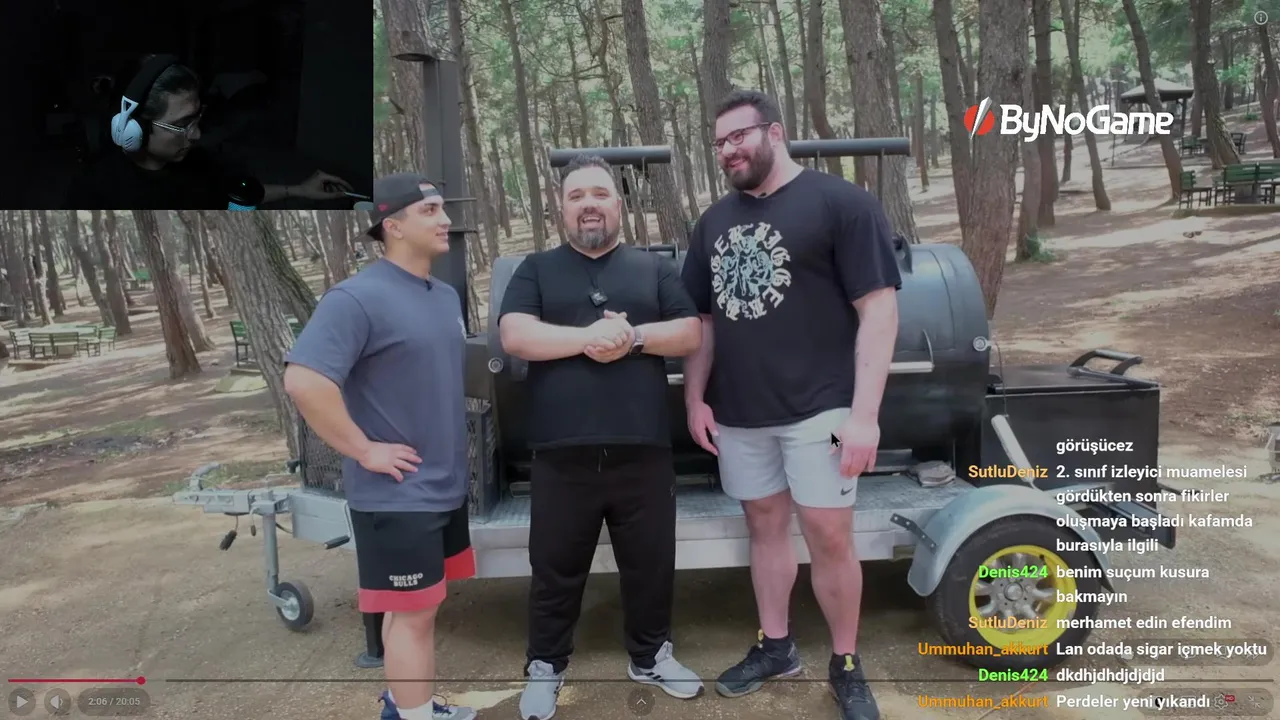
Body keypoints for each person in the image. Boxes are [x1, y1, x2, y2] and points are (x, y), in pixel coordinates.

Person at [680, 89, 902, 720]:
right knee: (764, 528)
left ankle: (846, 662)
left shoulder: (842, 204)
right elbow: (703, 321)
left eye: (738, 137)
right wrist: (696, 398)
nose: (728, 150)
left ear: (774, 132)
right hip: (740, 413)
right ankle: (776, 647)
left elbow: (879, 311)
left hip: (823, 410)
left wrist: (864, 417)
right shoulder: (713, 222)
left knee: (830, 535)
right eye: (719, 142)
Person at [498, 154, 706, 720]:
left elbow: (689, 332)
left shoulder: (652, 269)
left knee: (650, 565)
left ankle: (651, 656)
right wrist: (591, 338)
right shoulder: (536, 270)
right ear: (561, 208)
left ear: (618, 203)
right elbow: (515, 335)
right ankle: (546, 665)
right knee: (555, 568)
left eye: (599, 194)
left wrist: (632, 337)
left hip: (643, 451)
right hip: (561, 453)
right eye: (576, 196)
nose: (588, 204)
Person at [283, 172, 476, 720]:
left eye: (443, 208)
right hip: (395, 494)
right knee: (414, 615)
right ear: (392, 226)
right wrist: (365, 450)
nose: (445, 220)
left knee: (412, 610)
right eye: (430, 211)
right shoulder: (356, 298)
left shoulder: (443, 296)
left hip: (442, 485)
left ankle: (407, 706)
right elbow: (304, 380)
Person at [69, 54, 353, 209]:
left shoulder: (201, 162)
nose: (195, 135)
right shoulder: (93, 191)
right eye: (182, 124)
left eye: (197, 119)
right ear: (132, 128)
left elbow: (233, 194)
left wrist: (299, 189)